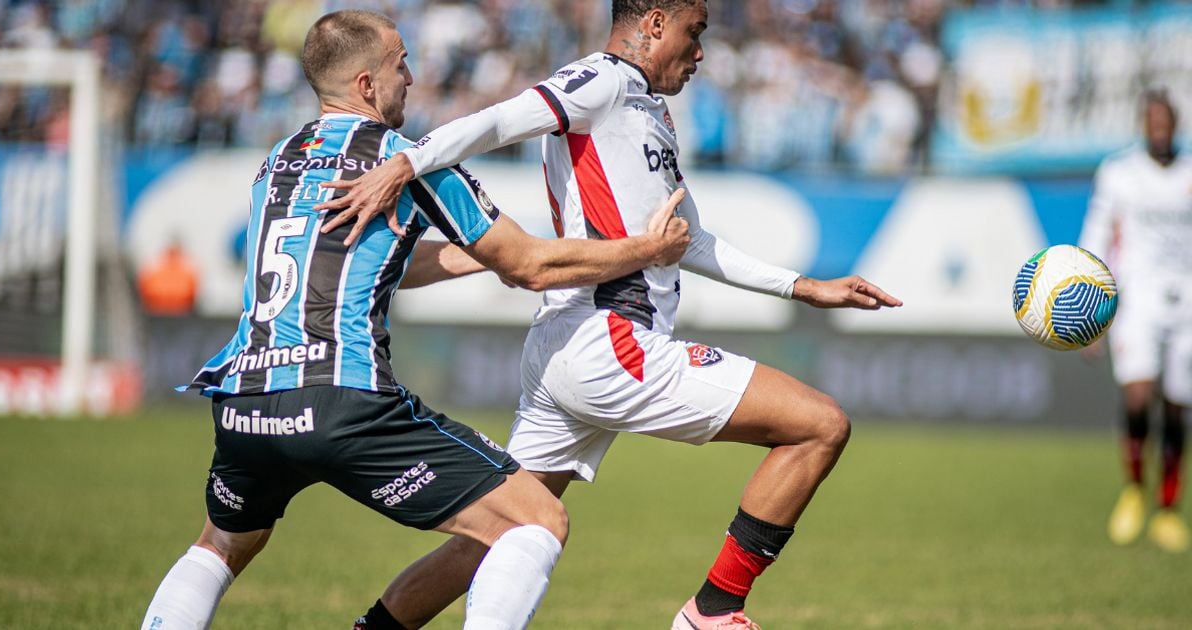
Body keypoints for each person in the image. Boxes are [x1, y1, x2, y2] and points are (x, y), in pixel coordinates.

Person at [318, 2, 901, 627]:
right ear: (653, 24)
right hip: (612, 340)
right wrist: (406, 162)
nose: (700, 52)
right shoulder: (602, 80)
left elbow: (691, 240)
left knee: (502, 531)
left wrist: (804, 288)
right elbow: (499, 120)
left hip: (566, 344)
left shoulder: (646, 108)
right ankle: (713, 610)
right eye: (693, 33)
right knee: (819, 425)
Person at [139, 10, 691, 630]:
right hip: (341, 400)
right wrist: (647, 251)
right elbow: (533, 266)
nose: (413, 75)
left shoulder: (279, 161)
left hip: (244, 400)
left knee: (221, 545)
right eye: (402, 62)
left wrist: (479, 258)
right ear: (368, 84)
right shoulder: (404, 159)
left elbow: (373, 260)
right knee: (536, 519)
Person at [1080, 90, 1191, 554]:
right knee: (1139, 395)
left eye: (1166, 120)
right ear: (1143, 125)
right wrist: (1089, 310)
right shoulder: (1120, 173)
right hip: (1137, 300)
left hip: (1186, 303)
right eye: (1153, 120)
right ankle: (1133, 489)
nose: (1159, 127)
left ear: (1176, 124)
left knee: (1177, 405)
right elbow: (1098, 235)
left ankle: (1167, 508)